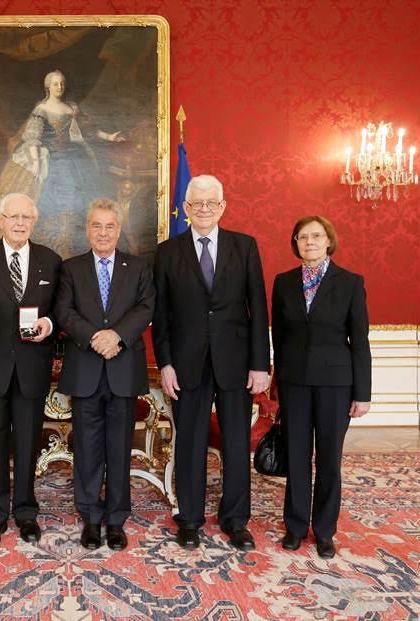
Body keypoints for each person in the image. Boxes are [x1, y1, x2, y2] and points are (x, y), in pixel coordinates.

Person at [151, 174, 270, 551]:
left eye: (210, 203)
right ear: (185, 209)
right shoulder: (168, 252)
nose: (203, 209)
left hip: (236, 363)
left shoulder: (244, 247)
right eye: (196, 204)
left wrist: (260, 365)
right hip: (185, 365)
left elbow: (258, 308)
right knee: (189, 443)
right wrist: (165, 364)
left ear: (222, 206)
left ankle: (236, 520)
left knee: (236, 444)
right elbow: (162, 315)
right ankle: (189, 519)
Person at [0, 193, 62, 549]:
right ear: (1, 220)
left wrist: (49, 324)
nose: (20, 223)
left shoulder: (50, 261)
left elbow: (59, 310)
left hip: (32, 367)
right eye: (13, 217)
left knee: (27, 442)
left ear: (34, 221)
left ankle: (25, 512)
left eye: (26, 217)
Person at [54, 198, 154, 551]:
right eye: (96, 225)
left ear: (118, 229)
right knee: (87, 449)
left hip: (123, 370)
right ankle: (91, 519)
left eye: (110, 226)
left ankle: (116, 519)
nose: (103, 232)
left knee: (119, 449)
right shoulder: (71, 268)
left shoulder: (139, 267)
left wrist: (118, 336)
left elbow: (146, 306)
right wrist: (95, 337)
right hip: (86, 370)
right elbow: (63, 311)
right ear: (87, 229)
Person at [272, 215, 371, 559]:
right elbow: (279, 338)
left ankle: (325, 530)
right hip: (294, 382)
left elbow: (359, 340)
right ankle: (296, 527)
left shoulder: (350, 283)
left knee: (329, 459)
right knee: (297, 457)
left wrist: (363, 393)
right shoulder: (283, 283)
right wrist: (277, 385)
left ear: (328, 240)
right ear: (295, 243)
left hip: (336, 384)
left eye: (316, 236)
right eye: (302, 237)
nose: (309, 242)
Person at [0, 70, 124, 256]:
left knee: (74, 201)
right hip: (49, 162)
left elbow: (89, 130)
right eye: (56, 83)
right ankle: (48, 248)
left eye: (62, 83)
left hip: (71, 162)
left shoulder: (71, 108)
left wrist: (109, 136)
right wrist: (35, 163)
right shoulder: (41, 110)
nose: (60, 87)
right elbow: (32, 137)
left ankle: (68, 246)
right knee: (46, 201)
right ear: (48, 87)